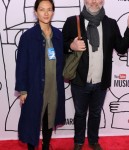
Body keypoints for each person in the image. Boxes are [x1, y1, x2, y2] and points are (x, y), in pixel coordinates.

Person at [62, 0, 129, 150]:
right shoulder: (72, 22)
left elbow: (121, 48)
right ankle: (78, 142)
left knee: (95, 114)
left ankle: (93, 141)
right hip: (79, 80)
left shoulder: (110, 24)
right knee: (80, 114)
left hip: (101, 81)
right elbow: (60, 45)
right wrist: (70, 45)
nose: (94, 2)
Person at [15, 0, 65, 150]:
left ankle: (46, 145)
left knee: (49, 118)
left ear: (53, 12)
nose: (46, 13)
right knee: (33, 120)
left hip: (54, 85)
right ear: (35, 12)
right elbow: (21, 65)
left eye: (49, 9)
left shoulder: (58, 34)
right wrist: (23, 90)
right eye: (42, 9)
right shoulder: (28, 37)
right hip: (35, 86)